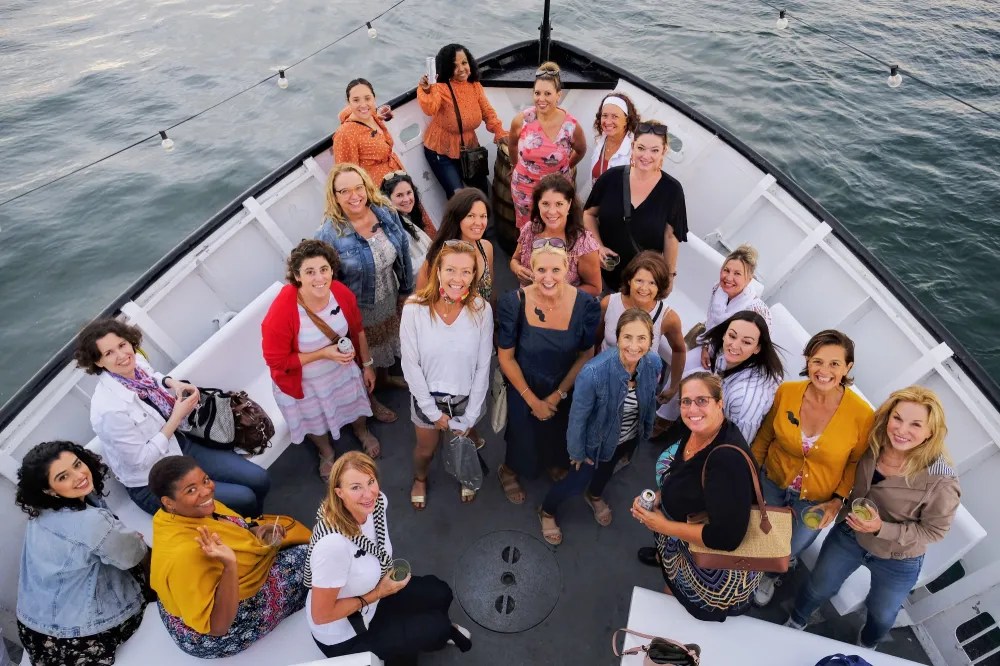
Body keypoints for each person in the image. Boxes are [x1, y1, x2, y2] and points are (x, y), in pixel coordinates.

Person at [786, 386, 960, 649]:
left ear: (931, 432)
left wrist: (881, 528)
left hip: (898, 557)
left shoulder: (942, 480)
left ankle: (867, 644)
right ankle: (796, 621)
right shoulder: (870, 443)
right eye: (897, 418)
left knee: (882, 613)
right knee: (818, 586)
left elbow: (934, 531)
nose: (902, 430)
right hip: (850, 534)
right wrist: (836, 501)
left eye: (916, 424)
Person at [76, 318, 270, 517]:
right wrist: (177, 416)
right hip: (154, 480)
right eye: (109, 353)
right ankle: (251, 527)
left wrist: (172, 383)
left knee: (259, 478)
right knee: (244, 497)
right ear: (97, 362)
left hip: (180, 447)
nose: (122, 355)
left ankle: (253, 522)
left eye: (122, 345)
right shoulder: (109, 410)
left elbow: (152, 377)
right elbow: (140, 460)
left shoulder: (136, 363)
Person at [306, 452, 472, 661]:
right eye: (356, 487)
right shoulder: (333, 546)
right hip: (348, 631)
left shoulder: (377, 505)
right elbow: (322, 615)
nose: (368, 494)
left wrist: (380, 590)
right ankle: (437, 633)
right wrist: (378, 593)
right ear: (339, 493)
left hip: (376, 590)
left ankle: (432, 631)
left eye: (370, 482)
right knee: (434, 628)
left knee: (440, 592)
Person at [750, 329, 875, 607]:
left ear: (848, 368)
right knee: (764, 532)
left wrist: (838, 500)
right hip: (772, 479)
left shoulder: (863, 415)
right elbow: (765, 436)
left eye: (834, 364)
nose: (824, 371)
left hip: (818, 498)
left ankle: (771, 575)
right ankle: (758, 566)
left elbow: (855, 462)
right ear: (807, 361)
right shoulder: (787, 392)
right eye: (817, 361)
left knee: (791, 546)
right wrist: (751, 473)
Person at [149, 455, 308, 658]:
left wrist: (254, 530)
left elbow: (233, 527)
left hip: (185, 601)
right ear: (168, 502)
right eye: (191, 490)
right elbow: (217, 627)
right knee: (308, 557)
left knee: (290, 546)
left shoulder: (173, 515)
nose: (206, 491)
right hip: (214, 632)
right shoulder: (185, 554)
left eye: (205, 480)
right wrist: (230, 565)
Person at [631, 372, 758, 622]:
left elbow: (727, 538)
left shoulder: (727, 461)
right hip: (679, 535)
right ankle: (663, 561)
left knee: (676, 606)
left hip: (703, 564)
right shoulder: (699, 430)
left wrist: (664, 526)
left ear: (720, 403)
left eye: (702, 400)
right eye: (686, 402)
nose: (692, 409)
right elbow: (683, 472)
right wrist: (658, 497)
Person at [15, 441, 150, 666]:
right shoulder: (91, 522)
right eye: (63, 477)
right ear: (48, 490)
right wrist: (132, 541)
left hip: (32, 628)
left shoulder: (39, 515)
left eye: (77, 464)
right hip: (82, 636)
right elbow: (133, 555)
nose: (79, 476)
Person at [538, 309, 661, 544]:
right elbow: (578, 418)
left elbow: (649, 399)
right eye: (628, 337)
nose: (634, 346)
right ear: (617, 337)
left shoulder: (653, 364)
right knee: (574, 483)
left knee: (606, 471)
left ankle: (594, 495)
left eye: (641, 338)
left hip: (626, 438)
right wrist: (577, 452)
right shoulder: (593, 373)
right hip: (595, 443)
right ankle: (547, 510)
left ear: (650, 341)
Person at [261, 239, 379, 482]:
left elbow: (357, 329)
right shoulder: (281, 311)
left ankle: (362, 431)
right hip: (305, 383)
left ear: (332, 270)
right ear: (297, 276)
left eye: (324, 269)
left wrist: (367, 366)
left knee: (355, 402)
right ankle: (326, 452)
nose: (319, 278)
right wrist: (323, 354)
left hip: (342, 372)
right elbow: (277, 362)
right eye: (310, 272)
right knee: (314, 420)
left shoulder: (340, 292)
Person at [495, 243, 601, 504]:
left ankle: (552, 462)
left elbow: (586, 354)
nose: (548, 277)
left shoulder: (586, 305)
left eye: (556, 269)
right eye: (541, 270)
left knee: (559, 432)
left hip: (565, 384)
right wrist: (533, 401)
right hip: (524, 384)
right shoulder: (513, 302)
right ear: (532, 270)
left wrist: (556, 395)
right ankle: (508, 471)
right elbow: (506, 358)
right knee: (522, 434)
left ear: (567, 268)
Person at [315, 163, 414, 422]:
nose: (354, 196)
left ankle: (385, 378)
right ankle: (370, 400)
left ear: (366, 187)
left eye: (358, 187)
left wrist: (405, 290)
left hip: (389, 294)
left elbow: (403, 250)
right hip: (358, 308)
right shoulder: (329, 234)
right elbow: (327, 283)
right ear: (335, 196)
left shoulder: (385, 212)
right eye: (344, 191)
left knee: (386, 340)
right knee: (363, 356)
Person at [401, 242, 493, 508]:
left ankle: (464, 475)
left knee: (461, 446)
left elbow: (483, 366)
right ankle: (420, 478)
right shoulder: (414, 308)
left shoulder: (482, 309)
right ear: (438, 271)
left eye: (466, 271)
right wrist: (432, 413)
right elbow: (410, 364)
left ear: (474, 275)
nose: (458, 278)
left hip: (465, 400)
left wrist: (471, 416)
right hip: (426, 399)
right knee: (425, 450)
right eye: (451, 269)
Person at [653, 243, 771, 436]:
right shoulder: (718, 289)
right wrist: (707, 347)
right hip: (712, 347)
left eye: (737, 274)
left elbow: (755, 349)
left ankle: (669, 425)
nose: (729, 278)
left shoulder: (756, 310)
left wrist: (722, 360)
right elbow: (710, 323)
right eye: (726, 270)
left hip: (736, 364)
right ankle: (663, 415)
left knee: (690, 379)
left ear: (749, 279)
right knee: (682, 366)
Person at [583, 120, 688, 290]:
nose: (646, 156)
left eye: (655, 150)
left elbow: (671, 237)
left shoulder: (672, 191)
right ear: (633, 147)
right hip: (598, 274)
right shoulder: (610, 178)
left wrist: (669, 277)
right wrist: (598, 246)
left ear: (664, 151)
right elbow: (589, 214)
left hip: (641, 286)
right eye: (641, 148)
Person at [418, 43, 507, 197]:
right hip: (441, 151)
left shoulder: (475, 85)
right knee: (457, 195)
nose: (461, 69)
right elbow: (430, 108)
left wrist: (499, 131)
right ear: (447, 68)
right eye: (454, 66)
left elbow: (487, 112)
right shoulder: (440, 87)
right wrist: (427, 90)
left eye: (464, 63)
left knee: (481, 194)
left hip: (470, 148)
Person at [509, 61, 587, 230]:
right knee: (527, 230)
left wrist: (565, 167)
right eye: (537, 93)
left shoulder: (571, 126)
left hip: (557, 190)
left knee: (555, 228)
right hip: (524, 189)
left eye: (547, 94)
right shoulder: (522, 120)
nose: (541, 99)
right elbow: (512, 144)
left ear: (558, 95)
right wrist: (515, 166)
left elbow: (581, 150)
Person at [598, 251, 686, 399]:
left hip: (639, 390)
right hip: (603, 380)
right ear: (629, 280)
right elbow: (595, 341)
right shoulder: (608, 303)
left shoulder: (668, 318)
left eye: (652, 283)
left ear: (660, 286)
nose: (644, 288)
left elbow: (679, 350)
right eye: (639, 280)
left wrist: (673, 387)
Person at [510, 173, 602, 296]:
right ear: (538, 204)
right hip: (530, 299)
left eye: (559, 204)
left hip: (564, 304)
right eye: (545, 204)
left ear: (569, 204)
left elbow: (595, 288)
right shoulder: (530, 229)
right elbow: (515, 259)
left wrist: (558, 292)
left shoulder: (583, 244)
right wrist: (517, 269)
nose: (552, 211)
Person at [699, 311, 784, 443]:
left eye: (746, 342)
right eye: (732, 336)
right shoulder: (724, 355)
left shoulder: (744, 397)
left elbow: (738, 445)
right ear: (724, 334)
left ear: (757, 348)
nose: (734, 345)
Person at [416, 188, 495, 302]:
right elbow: (421, 301)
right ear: (457, 218)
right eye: (471, 216)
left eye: (483, 216)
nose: (478, 223)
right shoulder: (437, 259)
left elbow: (491, 291)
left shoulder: (487, 248)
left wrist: (492, 311)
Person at [333, 79, 403, 184]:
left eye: (367, 98)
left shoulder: (373, 114)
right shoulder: (345, 134)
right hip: (378, 189)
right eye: (356, 100)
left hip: (399, 178)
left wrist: (379, 116)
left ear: (374, 98)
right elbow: (346, 177)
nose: (363, 105)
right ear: (348, 102)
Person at [381, 170, 436, 280]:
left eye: (409, 193)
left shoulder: (407, 217)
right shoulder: (392, 230)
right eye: (399, 195)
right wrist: (435, 253)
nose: (406, 199)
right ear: (387, 199)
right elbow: (411, 270)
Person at [588, 92, 640, 187]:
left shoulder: (635, 150)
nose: (608, 122)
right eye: (605, 115)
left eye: (615, 116)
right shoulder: (601, 139)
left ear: (626, 120)